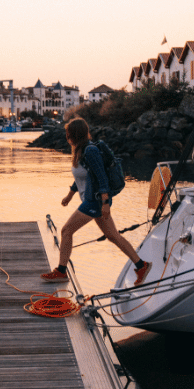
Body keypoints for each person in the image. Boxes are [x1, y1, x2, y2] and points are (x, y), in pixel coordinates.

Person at [41, 117, 151, 285]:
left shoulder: (90, 151)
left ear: (74, 134)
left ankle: (61, 271)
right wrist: (70, 195)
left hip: (95, 202)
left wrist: (105, 203)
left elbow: (101, 178)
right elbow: (84, 176)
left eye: (68, 133)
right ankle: (141, 265)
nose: (66, 136)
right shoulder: (80, 150)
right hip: (93, 200)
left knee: (66, 231)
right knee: (113, 236)